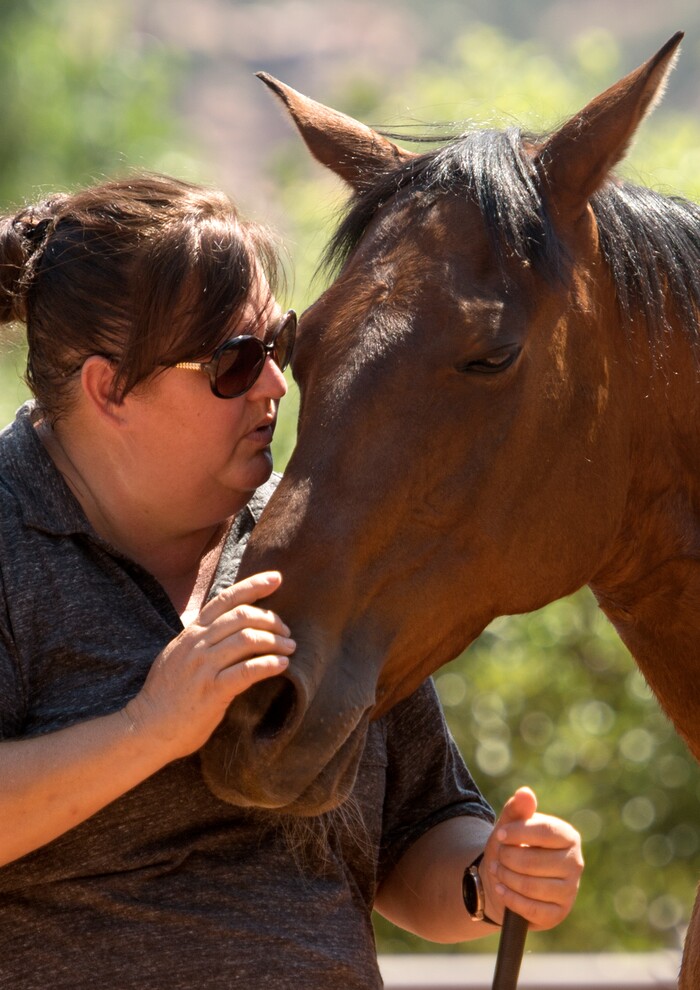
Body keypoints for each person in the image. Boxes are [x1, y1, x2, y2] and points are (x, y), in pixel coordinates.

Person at [0, 174, 583, 989]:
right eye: (235, 364)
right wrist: (152, 727)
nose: (277, 384)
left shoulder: (324, 531)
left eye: (279, 344)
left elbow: (418, 825)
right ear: (110, 389)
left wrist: (489, 877)